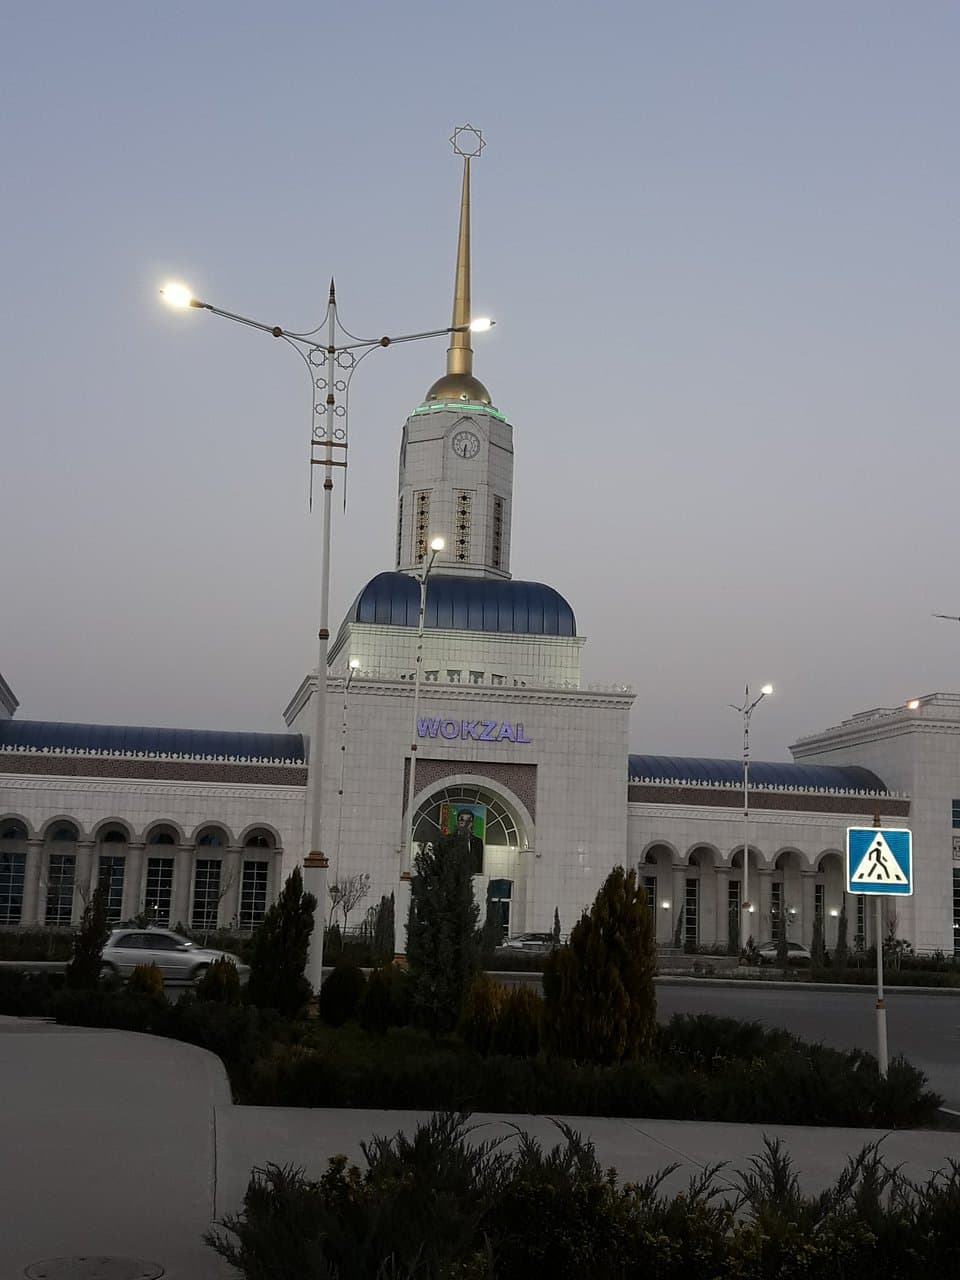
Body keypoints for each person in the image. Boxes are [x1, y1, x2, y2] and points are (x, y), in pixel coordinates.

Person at [453, 807, 484, 874]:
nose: (465, 824)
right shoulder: (448, 840)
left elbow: (479, 864)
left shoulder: (478, 842)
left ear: (472, 823)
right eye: (462, 820)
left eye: (468, 821)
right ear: (457, 822)